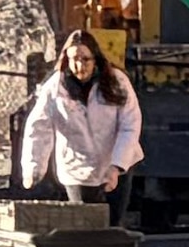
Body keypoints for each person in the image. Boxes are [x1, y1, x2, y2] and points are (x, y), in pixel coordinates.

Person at [18, 26, 142, 210]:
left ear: (95, 59)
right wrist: (33, 167)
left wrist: (116, 167)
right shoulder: (55, 87)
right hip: (76, 169)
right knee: (83, 224)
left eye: (85, 59)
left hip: (114, 165)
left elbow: (129, 125)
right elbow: (39, 126)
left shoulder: (117, 82)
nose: (80, 65)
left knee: (112, 226)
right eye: (74, 59)